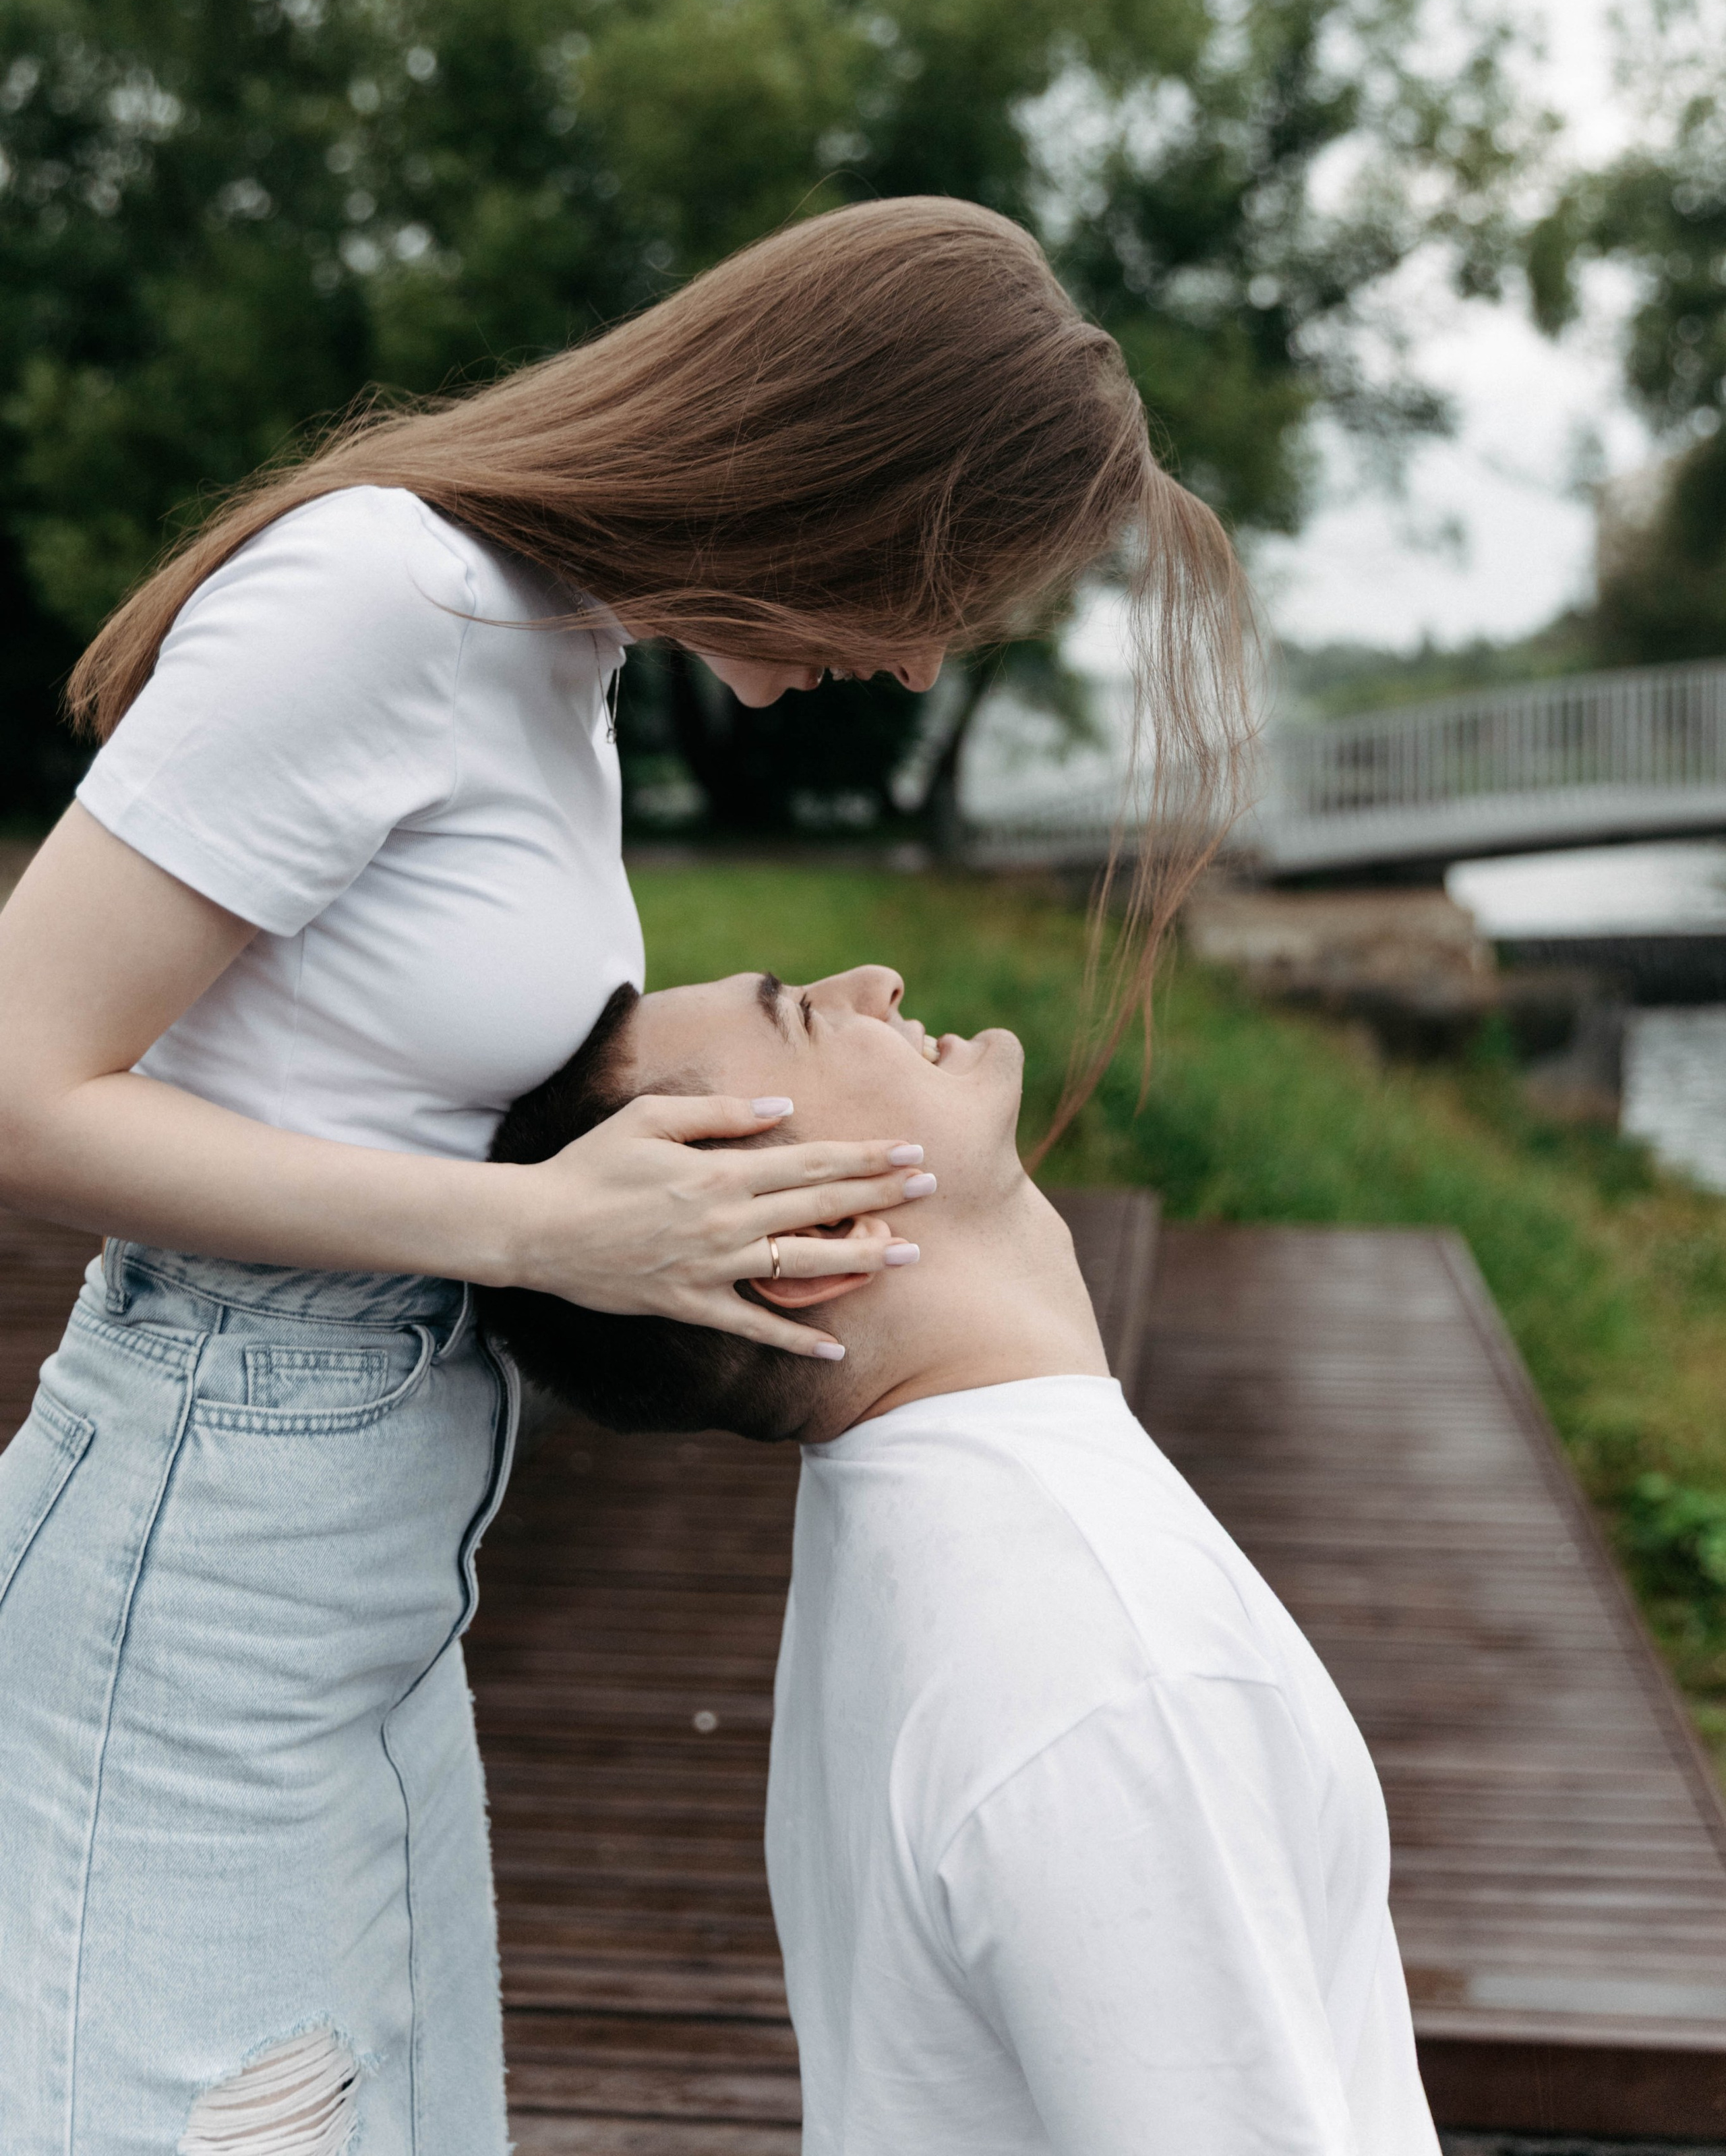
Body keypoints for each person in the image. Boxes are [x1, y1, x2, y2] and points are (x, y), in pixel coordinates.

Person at [0, 198, 1249, 2155]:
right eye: (932, 593)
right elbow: (15, 1085)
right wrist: (533, 1229)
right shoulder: (380, 599)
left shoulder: (549, 664)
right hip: (203, 1574)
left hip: (376, 1581)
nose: (916, 665)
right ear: (827, 480)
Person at [481, 963, 1444, 2156]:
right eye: (802, 1014)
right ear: (826, 1238)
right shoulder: (1114, 1669)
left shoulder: (912, 1527)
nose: (874, 982)